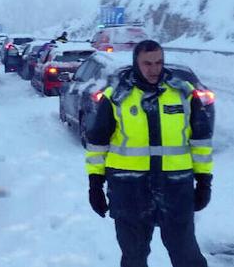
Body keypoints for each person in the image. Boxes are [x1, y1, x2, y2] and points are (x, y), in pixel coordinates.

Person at [85, 40, 214, 267]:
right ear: (136, 63)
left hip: (175, 188)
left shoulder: (183, 93)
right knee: (133, 257)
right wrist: (95, 184)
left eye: (159, 62)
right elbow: (97, 144)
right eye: (147, 63)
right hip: (129, 190)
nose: (154, 69)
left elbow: (201, 141)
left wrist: (204, 181)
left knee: (187, 256)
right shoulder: (116, 97)